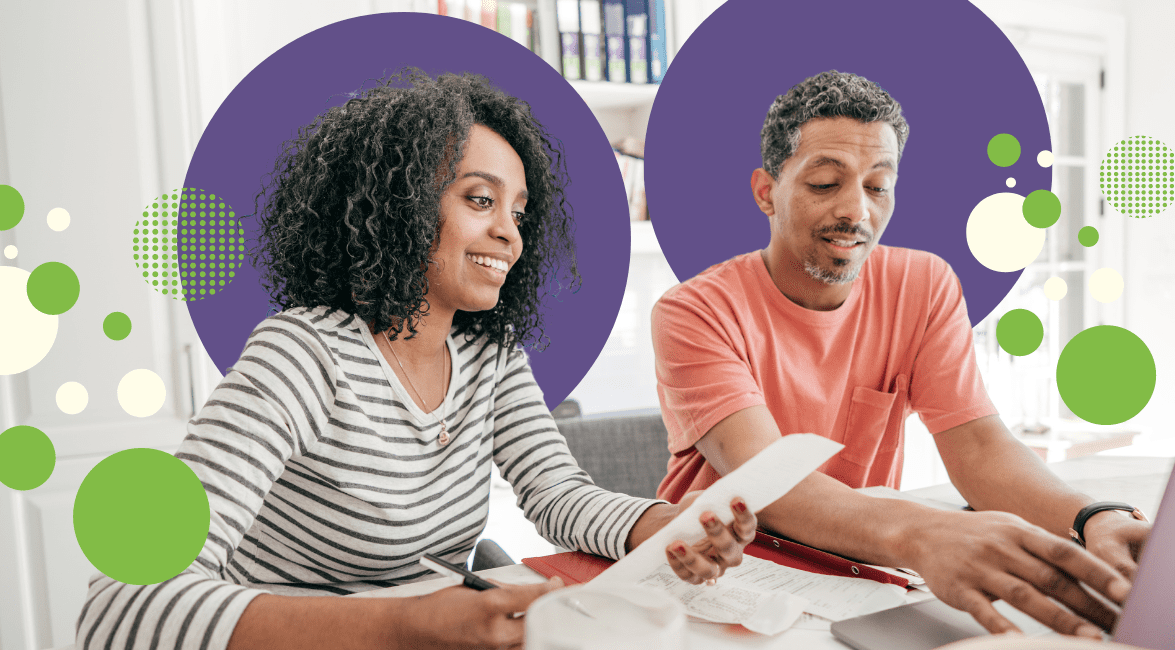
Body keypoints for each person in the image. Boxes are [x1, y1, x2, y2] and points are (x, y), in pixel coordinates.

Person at [77, 69, 757, 650]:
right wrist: (403, 625)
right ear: (396, 207)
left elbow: (557, 493)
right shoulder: (303, 354)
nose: (508, 235)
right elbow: (117, 603)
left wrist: (658, 525)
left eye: (518, 212)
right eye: (480, 199)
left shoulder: (488, 354)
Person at [651, 70, 1151, 639]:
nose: (855, 210)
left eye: (877, 185)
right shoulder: (693, 310)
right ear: (767, 191)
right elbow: (770, 482)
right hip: (716, 576)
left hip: (857, 571)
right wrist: (924, 532)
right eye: (824, 183)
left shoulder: (924, 283)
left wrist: (1092, 517)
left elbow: (979, 447)